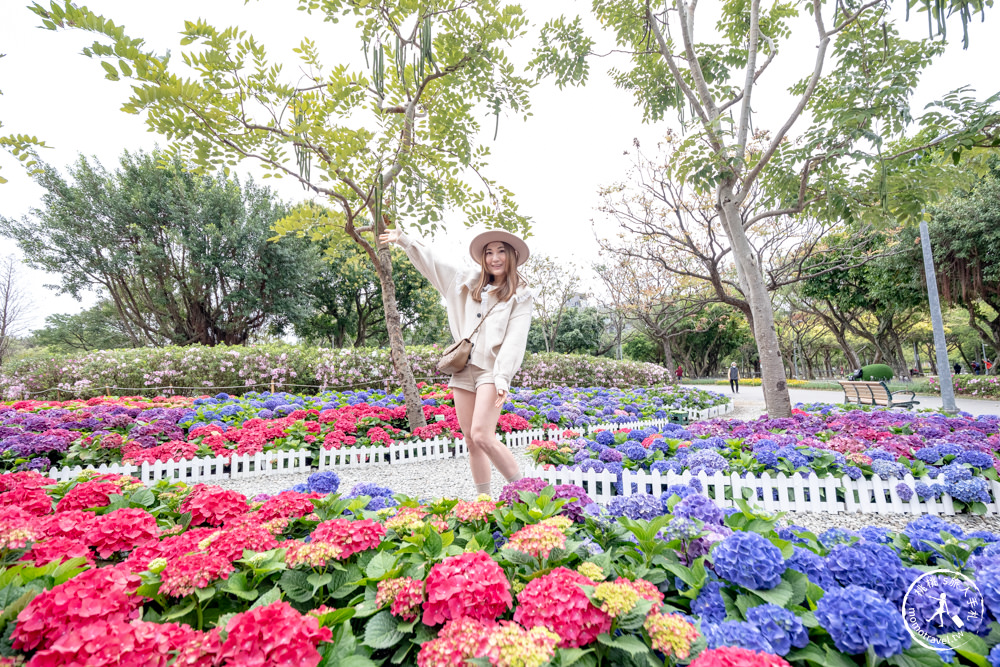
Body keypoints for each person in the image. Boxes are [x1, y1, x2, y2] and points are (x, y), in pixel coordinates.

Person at [380, 226, 532, 498]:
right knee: (472, 441)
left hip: (491, 370)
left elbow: (515, 340)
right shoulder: (466, 281)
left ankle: (527, 494)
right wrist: (404, 240)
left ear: (511, 256)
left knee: (483, 435)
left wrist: (503, 377)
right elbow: (435, 264)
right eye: (489, 252)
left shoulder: (520, 295)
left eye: (500, 252)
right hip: (462, 370)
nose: (494, 258)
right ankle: (483, 500)